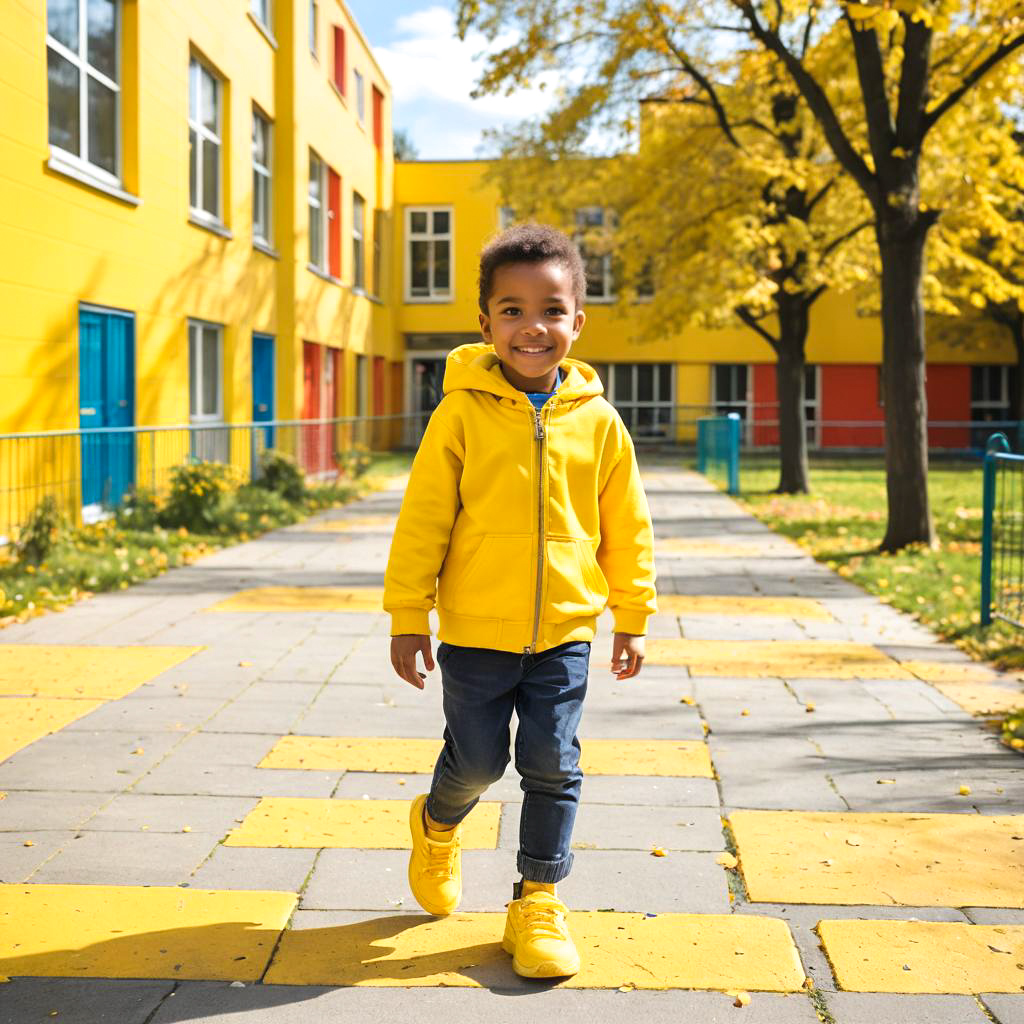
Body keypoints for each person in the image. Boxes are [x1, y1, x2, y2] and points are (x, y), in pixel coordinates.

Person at [383, 222, 657, 979]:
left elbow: (626, 527)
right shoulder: (460, 414)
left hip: (565, 633)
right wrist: (409, 616)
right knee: (476, 763)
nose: (532, 326)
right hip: (475, 632)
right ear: (484, 323)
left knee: (551, 763)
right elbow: (424, 521)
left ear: (577, 321)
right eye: (511, 309)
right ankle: (438, 825)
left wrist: (631, 616)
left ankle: (538, 899)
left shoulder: (600, 423)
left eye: (550, 309)